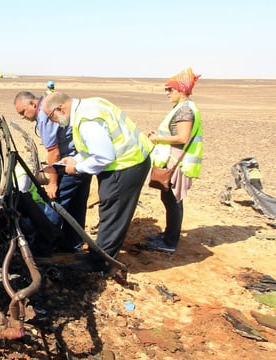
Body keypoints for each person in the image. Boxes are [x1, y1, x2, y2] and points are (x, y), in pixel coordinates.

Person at [43, 92, 154, 272]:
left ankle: (101, 263)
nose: (53, 122)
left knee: (113, 212)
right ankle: (99, 255)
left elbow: (103, 156)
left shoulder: (86, 121)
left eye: (51, 117)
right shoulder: (91, 105)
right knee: (110, 211)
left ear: (59, 109)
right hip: (128, 161)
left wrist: (76, 169)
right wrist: (75, 160)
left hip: (125, 165)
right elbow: (95, 148)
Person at [13, 91, 91, 252]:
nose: (23, 117)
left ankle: (43, 247)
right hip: (84, 160)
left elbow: (53, 152)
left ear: (33, 104)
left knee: (55, 204)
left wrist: (53, 183)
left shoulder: (44, 115)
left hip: (69, 163)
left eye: (23, 112)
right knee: (77, 205)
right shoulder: (49, 108)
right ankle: (72, 245)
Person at [146, 68, 203, 253]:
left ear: (181, 90)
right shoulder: (182, 108)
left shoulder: (185, 110)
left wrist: (158, 139)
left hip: (178, 163)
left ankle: (170, 242)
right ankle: (168, 235)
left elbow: (182, 137)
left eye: (170, 89)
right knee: (169, 198)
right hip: (174, 160)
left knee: (173, 201)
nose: (167, 93)